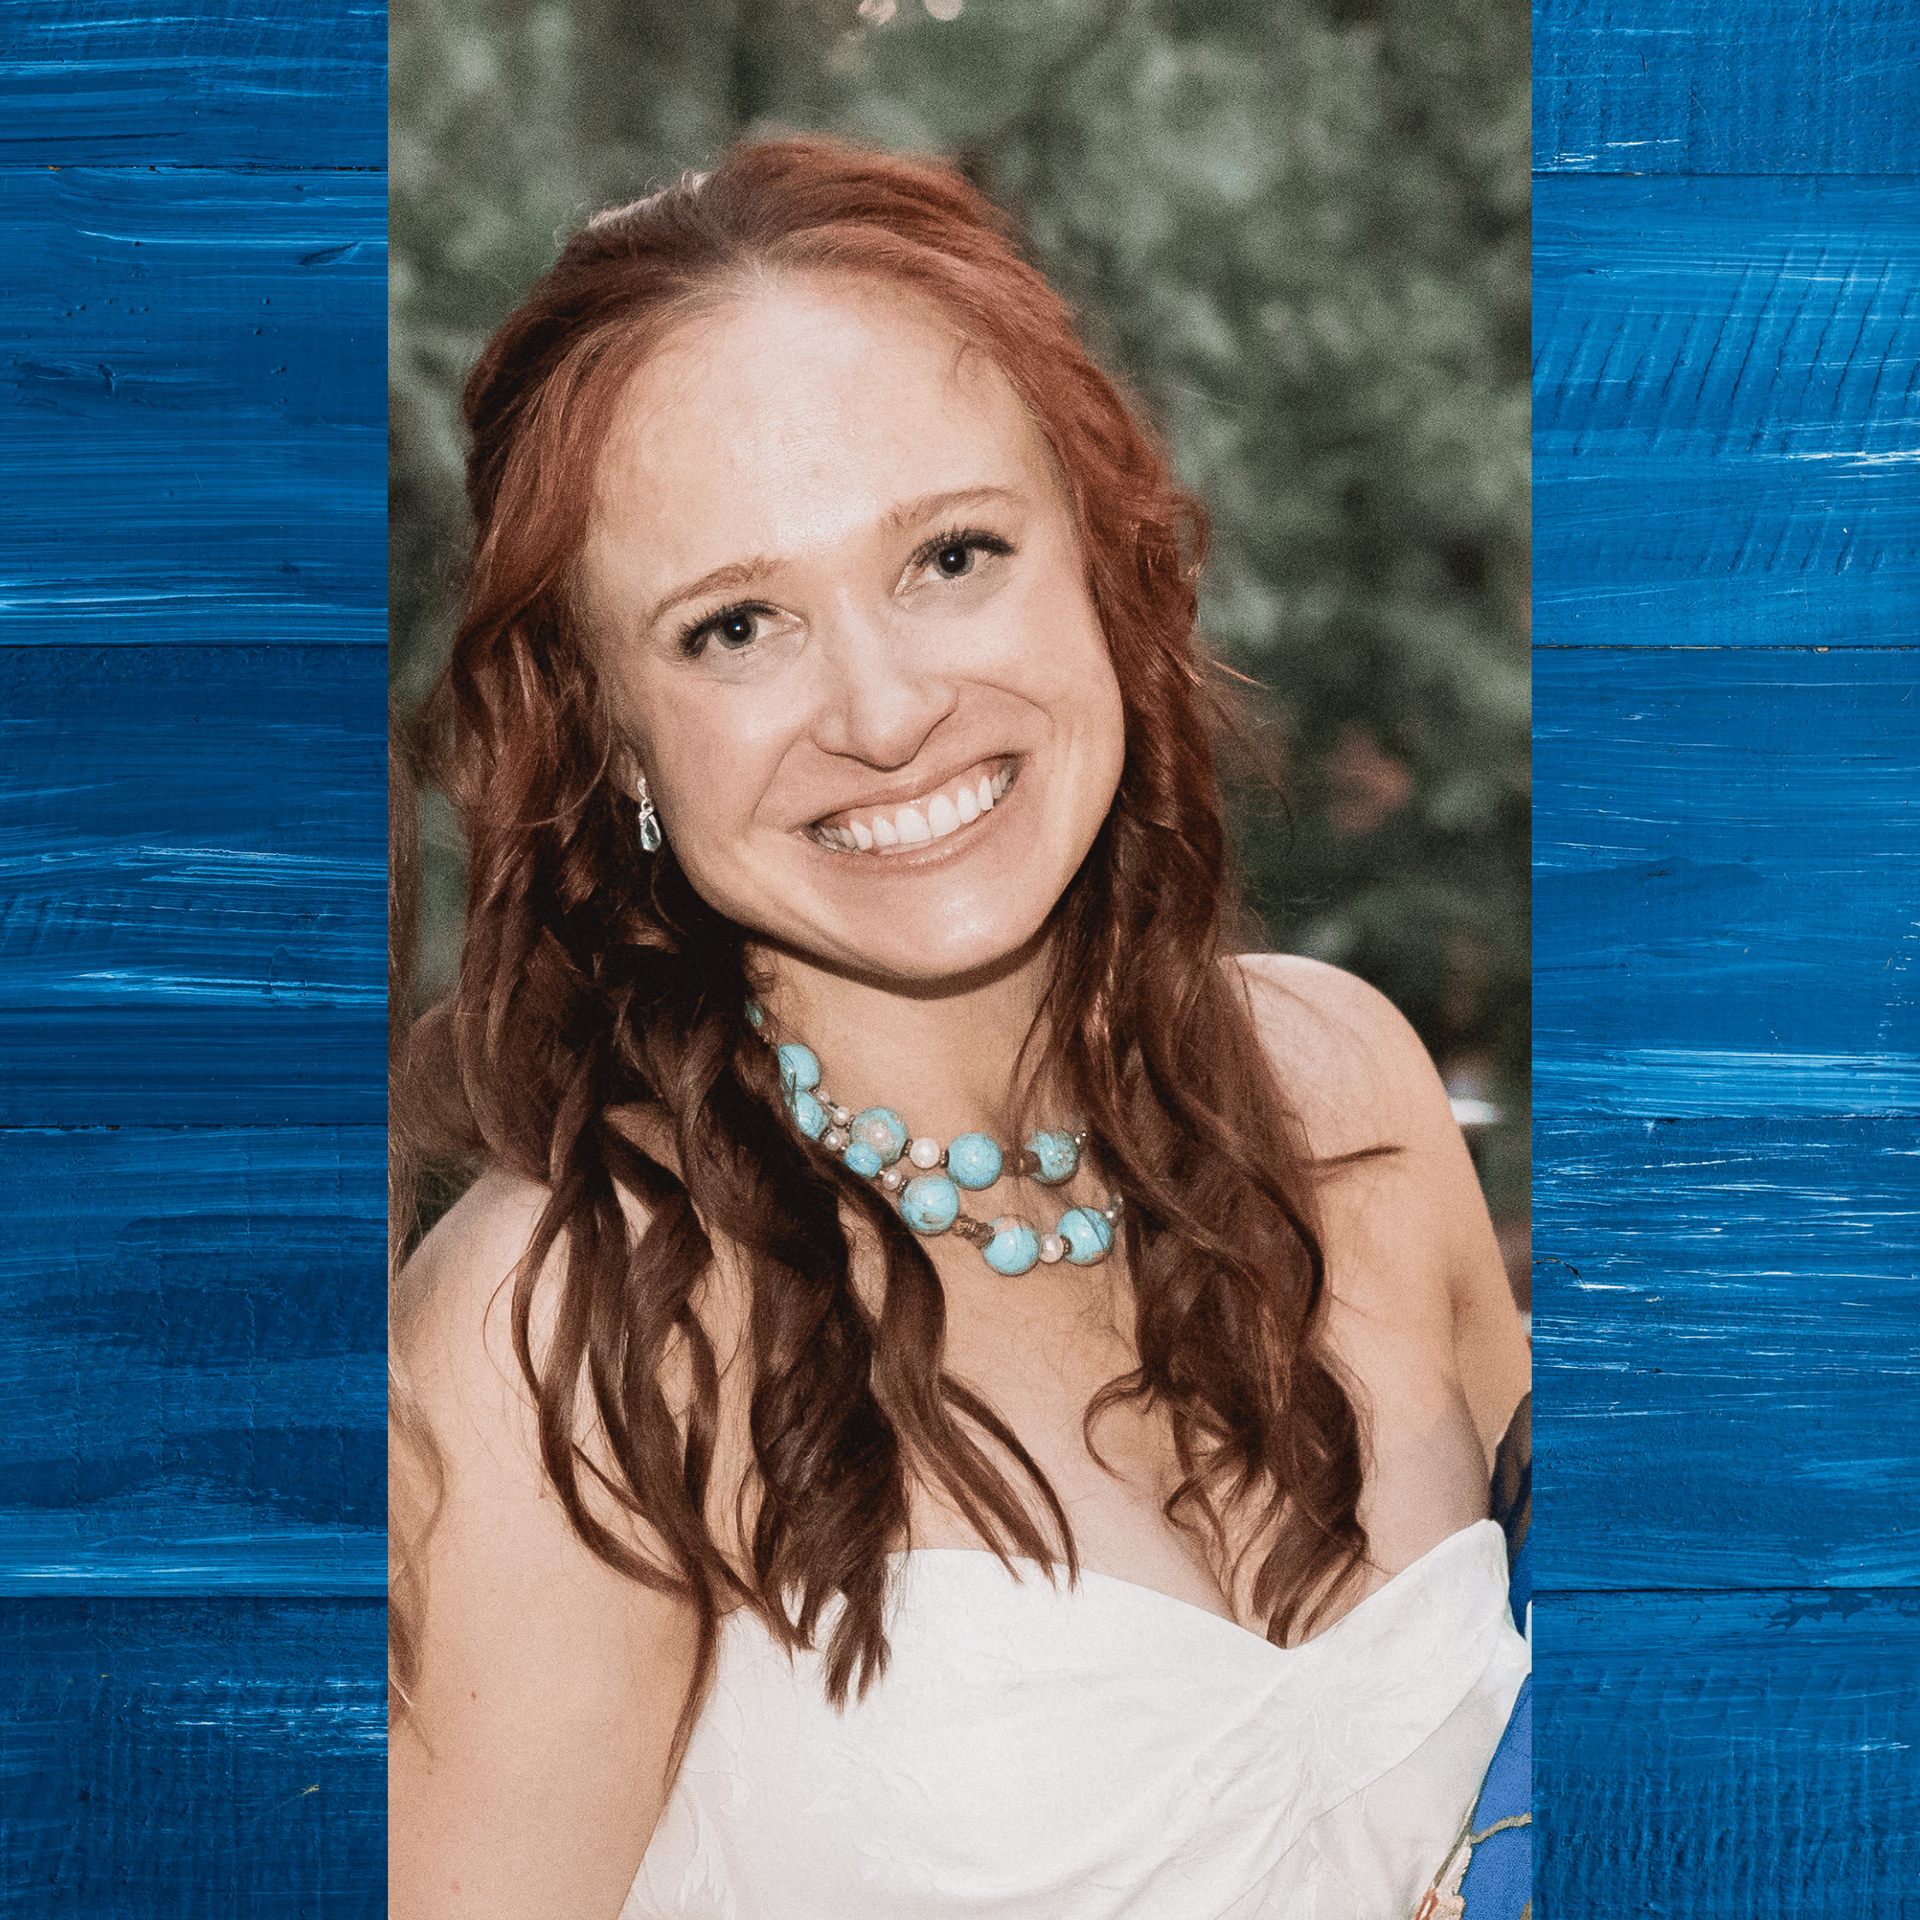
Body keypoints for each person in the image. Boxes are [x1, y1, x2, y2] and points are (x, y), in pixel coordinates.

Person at [389, 134, 1531, 1920]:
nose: (888, 707)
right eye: (736, 625)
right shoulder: (563, 1336)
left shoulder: (1349, 1095)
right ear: (610, 735)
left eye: (951, 554)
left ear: (1104, 558)